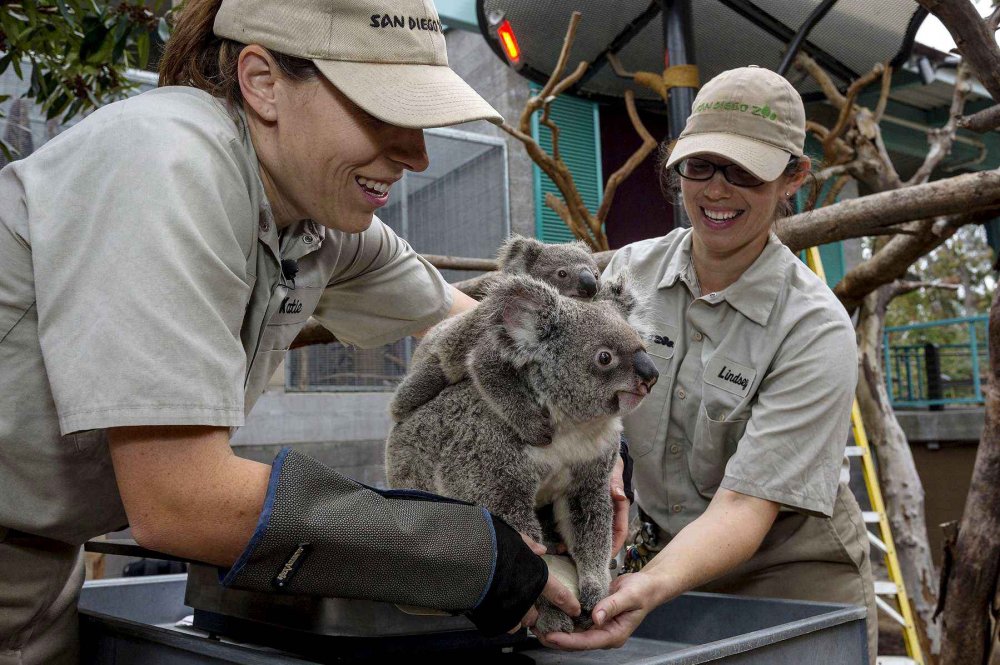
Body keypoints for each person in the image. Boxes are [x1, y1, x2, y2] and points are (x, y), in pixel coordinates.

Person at [0, 0, 584, 662]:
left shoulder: (315, 219)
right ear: (263, 81)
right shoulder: (166, 159)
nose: (416, 155)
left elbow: (469, 321)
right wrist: (469, 553)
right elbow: (182, 500)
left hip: (43, 585)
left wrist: (587, 430)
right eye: (384, 111)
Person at [538, 66, 878, 663]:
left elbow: (745, 507)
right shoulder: (626, 276)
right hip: (667, 563)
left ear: (793, 177)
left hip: (788, 574)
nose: (717, 191)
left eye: (745, 171)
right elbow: (561, 388)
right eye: (701, 166)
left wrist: (649, 586)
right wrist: (597, 455)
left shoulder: (812, 327)